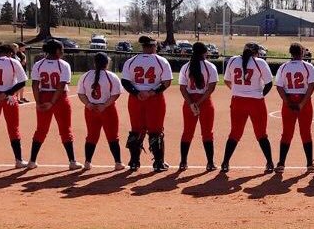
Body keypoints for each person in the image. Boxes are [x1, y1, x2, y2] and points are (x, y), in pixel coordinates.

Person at [221, 42, 275, 173]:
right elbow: (269, 83)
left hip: (237, 101)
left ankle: (225, 163)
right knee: (261, 134)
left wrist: (237, 90)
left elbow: (227, 80)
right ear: (256, 52)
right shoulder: (260, 62)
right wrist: (259, 95)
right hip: (256, 102)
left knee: (235, 133)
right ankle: (269, 162)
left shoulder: (233, 60)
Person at [121, 36, 173, 172]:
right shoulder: (161, 61)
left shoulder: (131, 61)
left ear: (143, 46)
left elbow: (125, 81)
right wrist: (151, 92)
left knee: (136, 130)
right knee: (156, 130)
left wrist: (137, 92)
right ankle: (158, 163)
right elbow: (166, 82)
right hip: (155, 99)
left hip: (135, 99)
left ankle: (134, 162)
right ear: (153, 46)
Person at [28, 40, 82, 170]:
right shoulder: (63, 64)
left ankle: (32, 161)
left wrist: (38, 102)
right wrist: (52, 102)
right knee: (65, 130)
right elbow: (62, 85)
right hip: (59, 98)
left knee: (41, 130)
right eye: (61, 49)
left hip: (43, 95)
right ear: (57, 50)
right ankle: (72, 161)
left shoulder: (38, 64)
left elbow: (35, 85)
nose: (62, 52)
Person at [77, 52, 125, 171]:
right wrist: (104, 105)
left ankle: (87, 162)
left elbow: (81, 94)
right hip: (108, 110)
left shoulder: (86, 76)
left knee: (91, 136)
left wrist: (88, 104)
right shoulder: (112, 76)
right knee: (112, 136)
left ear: (94, 63)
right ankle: (118, 163)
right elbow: (115, 94)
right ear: (107, 63)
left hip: (91, 110)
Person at [274, 43, 314, 172]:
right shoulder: (308, 66)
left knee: (287, 133)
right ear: (302, 52)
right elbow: (311, 86)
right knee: (306, 132)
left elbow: (279, 86)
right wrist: (302, 103)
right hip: (304, 101)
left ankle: (281, 164)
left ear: (290, 53)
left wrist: (287, 102)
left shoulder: (283, 67)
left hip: (288, 99)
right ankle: (310, 164)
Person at [177, 42, 219, 171]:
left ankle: (183, 162)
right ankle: (210, 163)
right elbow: (211, 88)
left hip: (189, 101)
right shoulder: (210, 66)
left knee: (187, 132)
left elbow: (182, 88)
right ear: (205, 52)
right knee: (207, 133)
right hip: (204, 102)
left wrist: (191, 103)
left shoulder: (186, 67)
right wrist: (198, 103)